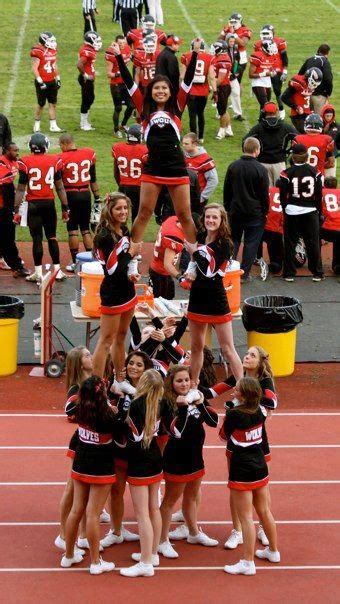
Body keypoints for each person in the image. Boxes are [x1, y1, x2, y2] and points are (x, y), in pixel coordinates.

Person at [111, 37, 202, 277]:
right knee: (143, 213)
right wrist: (120, 57)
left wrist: (194, 53)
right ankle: (132, 258)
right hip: (153, 168)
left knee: (184, 214)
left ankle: (193, 260)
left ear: (170, 92)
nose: (160, 90)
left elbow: (189, 80)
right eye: (156, 88)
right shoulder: (144, 109)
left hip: (176, 168)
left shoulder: (177, 107)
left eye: (164, 88)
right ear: (151, 92)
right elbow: (130, 83)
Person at [61, 376, 123, 574]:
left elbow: (70, 402)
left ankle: (68, 556)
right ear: (102, 393)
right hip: (101, 465)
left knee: (76, 510)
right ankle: (96, 562)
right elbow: (122, 437)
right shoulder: (109, 415)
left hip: (81, 461)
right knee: (93, 514)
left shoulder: (79, 409)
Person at [220, 377, 280, 575]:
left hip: (242, 469)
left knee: (246, 517)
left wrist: (229, 410)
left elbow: (223, 436)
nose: (233, 391)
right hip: (260, 466)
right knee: (264, 511)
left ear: (243, 395)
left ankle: (247, 562)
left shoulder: (235, 415)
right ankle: (273, 551)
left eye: (237, 390)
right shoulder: (261, 411)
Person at [159, 365, 218, 558]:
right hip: (177, 459)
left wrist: (200, 402)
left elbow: (213, 421)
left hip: (195, 457)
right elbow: (178, 431)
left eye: (186, 380)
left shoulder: (196, 396)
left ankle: (193, 533)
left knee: (191, 497)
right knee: (169, 501)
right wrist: (183, 407)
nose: (183, 384)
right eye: (179, 381)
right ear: (171, 383)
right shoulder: (168, 403)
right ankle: (162, 540)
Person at [185, 203, 243, 386]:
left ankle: (243, 387)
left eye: (215, 217)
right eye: (208, 217)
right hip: (197, 298)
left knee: (227, 349)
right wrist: (187, 273)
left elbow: (209, 270)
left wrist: (194, 253)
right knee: (196, 347)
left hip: (216, 299)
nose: (210, 220)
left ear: (221, 220)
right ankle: (193, 384)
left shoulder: (225, 243)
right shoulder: (200, 236)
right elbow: (193, 266)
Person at [100, 350, 153, 549]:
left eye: (139, 364)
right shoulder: (115, 388)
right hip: (120, 448)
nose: (134, 367)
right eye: (131, 363)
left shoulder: (152, 389)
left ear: (146, 369)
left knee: (146, 498)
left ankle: (154, 539)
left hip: (143, 452)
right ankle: (116, 531)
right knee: (116, 492)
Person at [119, 369, 165, 577]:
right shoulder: (162, 402)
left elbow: (133, 438)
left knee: (142, 514)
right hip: (155, 456)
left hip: (139, 460)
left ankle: (146, 563)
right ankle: (152, 553)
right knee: (153, 508)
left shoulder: (137, 405)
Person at [92, 192, 140, 379]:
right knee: (105, 341)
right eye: (118, 208)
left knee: (121, 337)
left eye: (126, 208)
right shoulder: (105, 236)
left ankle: (120, 378)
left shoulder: (123, 230)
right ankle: (96, 385)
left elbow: (124, 265)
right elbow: (112, 270)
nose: (123, 212)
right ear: (109, 210)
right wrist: (131, 253)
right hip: (113, 293)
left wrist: (132, 272)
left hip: (128, 289)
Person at [14, 133, 69, 283]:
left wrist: (16, 210)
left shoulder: (25, 161)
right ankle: (57, 271)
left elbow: (20, 190)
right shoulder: (54, 160)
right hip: (49, 204)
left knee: (37, 239)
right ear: (46, 146)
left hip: (32, 205)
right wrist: (65, 207)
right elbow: (60, 188)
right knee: (52, 237)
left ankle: (38, 272)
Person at [55, 346, 94, 554]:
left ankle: (84, 535)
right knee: (72, 489)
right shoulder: (76, 388)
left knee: (86, 492)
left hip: (92, 442)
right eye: (87, 355)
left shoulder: (94, 379)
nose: (92, 356)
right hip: (80, 443)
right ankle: (62, 535)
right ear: (79, 363)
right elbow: (69, 410)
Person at [223, 137, 269, 282]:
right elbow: (263, 194)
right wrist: (265, 211)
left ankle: (229, 270)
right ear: (257, 150)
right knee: (251, 243)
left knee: (234, 241)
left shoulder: (233, 166)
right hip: (255, 213)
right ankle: (244, 274)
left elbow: (227, 190)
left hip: (235, 211)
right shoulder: (261, 169)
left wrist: (227, 208)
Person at [279, 143, 324, 282]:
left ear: (293, 157)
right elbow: (318, 194)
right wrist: (318, 211)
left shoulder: (286, 173)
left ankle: (289, 273)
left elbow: (283, 195)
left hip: (292, 210)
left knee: (290, 242)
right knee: (313, 242)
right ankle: (317, 272)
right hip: (310, 211)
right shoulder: (315, 172)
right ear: (306, 156)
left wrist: (286, 208)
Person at [59, 133, 100, 271]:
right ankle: (92, 259)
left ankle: (75, 261)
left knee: (72, 231)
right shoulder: (88, 153)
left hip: (69, 194)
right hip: (86, 193)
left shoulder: (61, 158)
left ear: (64, 144)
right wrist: (97, 197)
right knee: (85, 229)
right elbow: (93, 179)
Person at [244, 102, 296, 186]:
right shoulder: (285, 127)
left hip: (263, 163)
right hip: (280, 162)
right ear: (276, 111)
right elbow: (298, 139)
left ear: (264, 112)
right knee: (280, 191)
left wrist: (253, 156)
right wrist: (289, 151)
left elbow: (245, 141)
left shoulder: (258, 127)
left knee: (266, 192)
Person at [0, 143, 29, 278]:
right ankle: (16, 265)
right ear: (6, 151)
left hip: (7, 202)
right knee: (8, 235)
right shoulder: (1, 163)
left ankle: (2, 258)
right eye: (14, 150)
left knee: (6, 233)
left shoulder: (14, 162)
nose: (17, 153)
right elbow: (5, 179)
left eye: (18, 150)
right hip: (2, 204)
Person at [180, 40, 215, 143]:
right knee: (201, 113)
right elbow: (211, 76)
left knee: (192, 115)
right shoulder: (209, 57)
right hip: (203, 91)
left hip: (191, 90)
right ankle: (201, 137)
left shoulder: (186, 56)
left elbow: (182, 76)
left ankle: (193, 138)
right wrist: (215, 91)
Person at [112, 123, 147, 223]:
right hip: (138, 187)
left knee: (121, 215)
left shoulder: (117, 147)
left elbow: (116, 172)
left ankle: (122, 236)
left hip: (123, 186)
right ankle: (135, 238)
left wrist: (121, 184)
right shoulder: (145, 150)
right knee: (136, 216)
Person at [30, 32, 63, 133]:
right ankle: (36, 126)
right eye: (50, 41)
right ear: (44, 41)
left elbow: (54, 65)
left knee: (53, 103)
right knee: (41, 104)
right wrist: (40, 81)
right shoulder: (37, 51)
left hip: (51, 80)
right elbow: (34, 67)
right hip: (42, 81)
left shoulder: (52, 50)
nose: (53, 43)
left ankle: (53, 126)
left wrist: (58, 78)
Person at [254, 25, 288, 119]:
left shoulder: (279, 42)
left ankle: (281, 109)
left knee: (277, 91)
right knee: (264, 96)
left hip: (277, 70)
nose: (265, 36)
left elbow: (284, 57)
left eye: (267, 33)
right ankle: (263, 114)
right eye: (263, 33)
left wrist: (284, 71)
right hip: (265, 70)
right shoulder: (258, 44)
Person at [149, 214, 185, 299]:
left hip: (156, 267)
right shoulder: (174, 238)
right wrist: (180, 277)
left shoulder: (173, 219)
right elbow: (167, 264)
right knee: (162, 303)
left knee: (160, 298)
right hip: (162, 273)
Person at [105, 35, 133, 137]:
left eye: (123, 43)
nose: (122, 45)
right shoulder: (111, 53)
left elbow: (128, 60)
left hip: (125, 83)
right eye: (119, 43)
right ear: (115, 43)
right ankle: (116, 130)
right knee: (118, 107)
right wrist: (118, 73)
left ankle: (123, 124)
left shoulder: (127, 48)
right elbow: (109, 74)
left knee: (131, 106)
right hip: (115, 84)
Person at [281, 68, 323, 133]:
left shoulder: (307, 84)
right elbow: (284, 97)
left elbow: (308, 98)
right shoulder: (299, 83)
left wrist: (312, 111)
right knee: (306, 135)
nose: (314, 86)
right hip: (298, 116)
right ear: (309, 78)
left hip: (308, 114)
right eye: (313, 83)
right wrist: (296, 107)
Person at [182, 133, 218, 205]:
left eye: (186, 144)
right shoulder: (183, 156)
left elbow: (213, 180)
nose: (183, 146)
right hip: (183, 196)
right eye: (183, 143)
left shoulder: (205, 160)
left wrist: (202, 197)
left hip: (197, 199)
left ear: (195, 144)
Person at [77, 31, 102, 131]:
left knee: (90, 98)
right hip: (86, 80)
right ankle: (83, 124)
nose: (98, 42)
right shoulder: (87, 51)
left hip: (88, 79)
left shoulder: (89, 49)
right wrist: (86, 75)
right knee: (86, 100)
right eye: (96, 40)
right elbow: (79, 64)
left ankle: (85, 122)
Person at [298, 45, 332, 114]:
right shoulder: (324, 62)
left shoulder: (310, 59)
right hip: (319, 95)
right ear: (328, 53)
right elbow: (328, 79)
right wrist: (328, 93)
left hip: (307, 94)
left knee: (307, 116)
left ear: (318, 50)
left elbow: (300, 75)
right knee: (319, 118)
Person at [219, 13, 252, 82]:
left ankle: (237, 93)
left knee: (236, 81)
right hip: (228, 58)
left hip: (239, 60)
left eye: (234, 22)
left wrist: (233, 34)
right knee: (226, 81)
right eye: (231, 22)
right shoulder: (228, 29)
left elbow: (243, 43)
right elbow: (219, 42)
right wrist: (223, 33)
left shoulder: (246, 30)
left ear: (240, 21)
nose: (232, 24)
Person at [211, 40, 233, 139]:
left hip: (223, 87)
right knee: (223, 109)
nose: (213, 49)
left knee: (221, 111)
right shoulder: (219, 57)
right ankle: (229, 129)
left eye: (215, 47)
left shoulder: (224, 59)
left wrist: (212, 86)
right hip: (222, 86)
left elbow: (220, 79)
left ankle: (221, 131)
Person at [248, 39, 277, 110]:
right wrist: (264, 74)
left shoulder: (272, 56)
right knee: (265, 105)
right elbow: (251, 75)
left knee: (265, 105)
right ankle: (265, 120)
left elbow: (271, 68)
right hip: (258, 83)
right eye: (271, 48)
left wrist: (273, 72)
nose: (273, 50)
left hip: (267, 82)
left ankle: (262, 120)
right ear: (265, 48)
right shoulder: (257, 56)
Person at [320, 177, 340, 275]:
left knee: (315, 237)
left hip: (327, 228)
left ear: (325, 185)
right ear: (336, 185)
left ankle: (317, 264)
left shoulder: (321, 193)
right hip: (339, 227)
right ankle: (337, 265)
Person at [133, 32, 160, 96]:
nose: (150, 48)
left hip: (158, 83)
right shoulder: (139, 57)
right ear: (144, 46)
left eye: (152, 46)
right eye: (149, 46)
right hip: (145, 85)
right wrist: (136, 88)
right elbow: (137, 74)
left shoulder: (159, 54)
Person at [224, 33, 243, 121]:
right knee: (223, 95)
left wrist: (237, 71)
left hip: (233, 76)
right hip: (224, 75)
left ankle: (238, 113)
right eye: (230, 41)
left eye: (233, 41)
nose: (232, 43)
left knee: (236, 93)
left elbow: (238, 61)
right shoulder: (223, 50)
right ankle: (219, 112)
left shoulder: (235, 49)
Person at [321, 104, 340, 178]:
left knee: (330, 178)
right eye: (327, 116)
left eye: (330, 115)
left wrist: (336, 151)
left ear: (333, 115)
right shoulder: (319, 124)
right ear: (323, 115)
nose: (329, 118)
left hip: (331, 156)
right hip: (320, 155)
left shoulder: (337, 126)